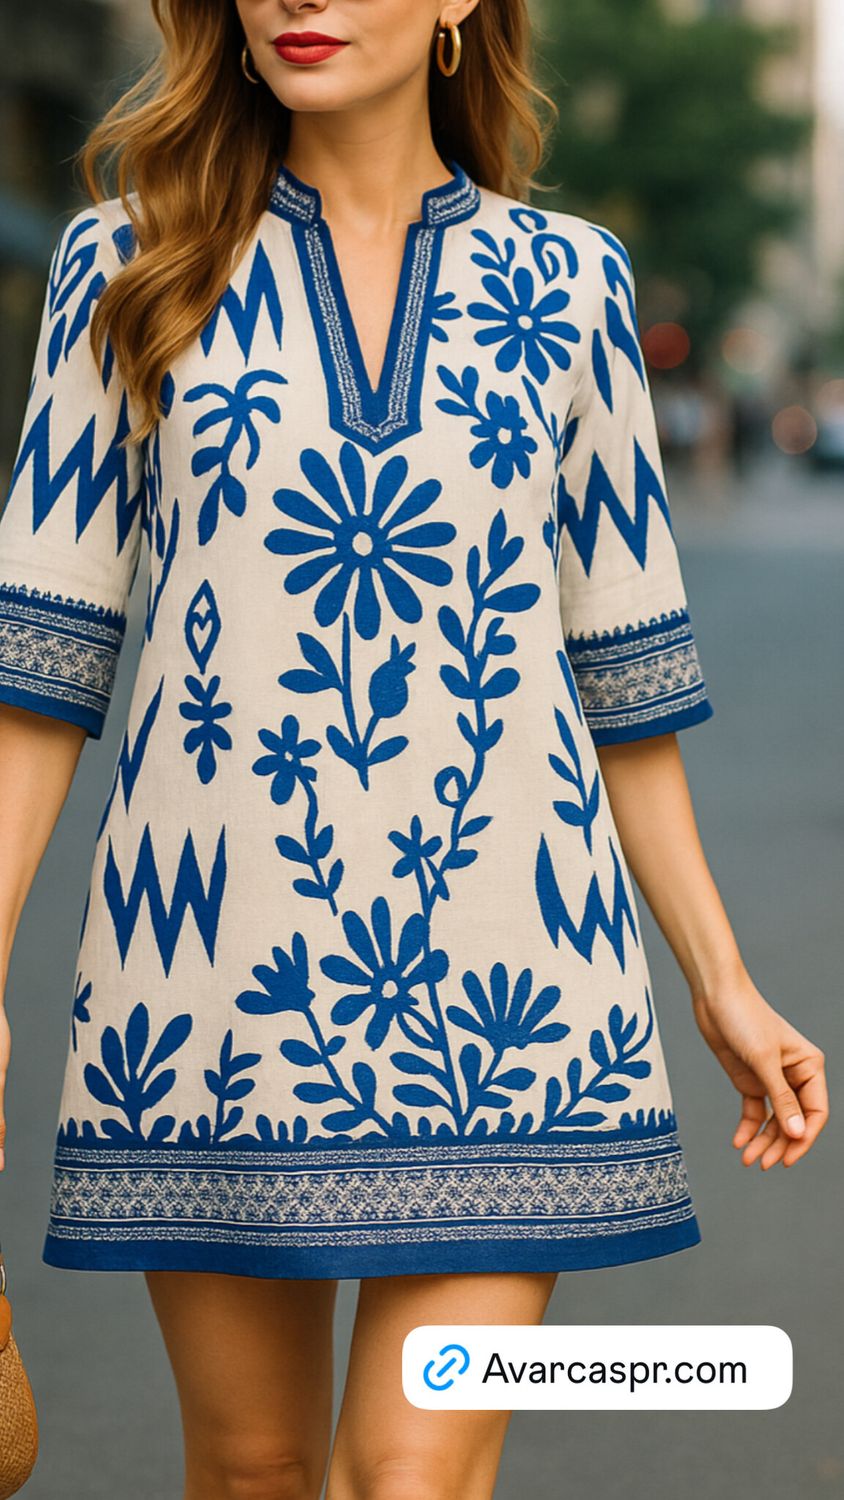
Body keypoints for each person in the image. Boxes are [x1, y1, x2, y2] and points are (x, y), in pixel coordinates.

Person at [0, 2, 828, 1496]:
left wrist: (721, 977)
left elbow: (624, 679)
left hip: (523, 1010)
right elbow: (43, 661)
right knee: (252, 1473)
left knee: (409, 1479)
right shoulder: (128, 262)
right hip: (206, 991)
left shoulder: (572, 286)